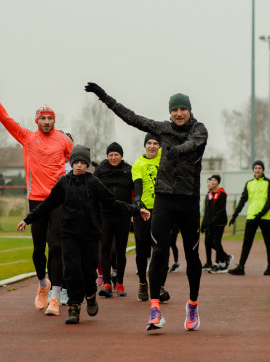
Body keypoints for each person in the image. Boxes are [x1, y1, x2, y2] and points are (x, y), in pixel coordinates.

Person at [85, 84, 207, 332]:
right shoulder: (161, 128)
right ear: (170, 112)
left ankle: (192, 306)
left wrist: (174, 151)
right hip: (164, 199)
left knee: (192, 256)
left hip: (188, 200)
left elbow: (193, 144)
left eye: (183, 109)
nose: (179, 113)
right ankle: (154, 310)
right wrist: (104, 97)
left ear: (189, 111)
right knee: (159, 252)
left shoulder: (199, 130)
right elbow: (132, 117)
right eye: (175, 110)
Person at [16, 145, 150, 324]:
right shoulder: (63, 183)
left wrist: (136, 210)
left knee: (88, 271)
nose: (79, 166)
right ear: (71, 164)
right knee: (71, 271)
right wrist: (28, 219)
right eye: (76, 162)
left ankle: (90, 294)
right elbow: (47, 204)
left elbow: (113, 203)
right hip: (69, 234)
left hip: (90, 234)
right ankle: (74, 306)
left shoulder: (94, 183)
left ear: (87, 164)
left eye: (82, 162)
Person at [0, 77, 73, 316]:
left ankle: (55, 295)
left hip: (57, 200)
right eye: (43, 118)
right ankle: (43, 285)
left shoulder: (64, 140)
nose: (46, 121)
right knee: (38, 249)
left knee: (56, 246)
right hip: (35, 199)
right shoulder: (26, 137)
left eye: (50, 118)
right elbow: (5, 119)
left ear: (55, 120)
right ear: (37, 120)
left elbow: (78, 163)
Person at [131, 134, 168, 304]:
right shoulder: (138, 164)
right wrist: (138, 201)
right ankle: (142, 283)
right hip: (144, 211)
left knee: (161, 249)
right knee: (142, 248)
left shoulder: (164, 159)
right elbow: (137, 186)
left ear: (159, 146)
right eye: (149, 143)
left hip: (162, 209)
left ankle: (159, 285)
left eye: (155, 143)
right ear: (145, 145)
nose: (152, 146)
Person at [94, 142, 133, 297]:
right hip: (105, 215)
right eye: (110, 155)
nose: (113, 157)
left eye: (116, 154)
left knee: (120, 250)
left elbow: (135, 190)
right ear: (107, 156)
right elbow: (93, 190)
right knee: (105, 249)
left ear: (121, 156)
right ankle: (107, 283)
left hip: (123, 215)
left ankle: (120, 283)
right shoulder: (100, 170)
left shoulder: (129, 170)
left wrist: (133, 210)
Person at [228, 160, 270, 276]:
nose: (257, 170)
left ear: (263, 170)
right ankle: (241, 267)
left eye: (259, 168)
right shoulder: (249, 183)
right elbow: (243, 200)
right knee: (246, 243)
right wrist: (235, 214)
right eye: (255, 168)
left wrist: (261, 213)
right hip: (251, 216)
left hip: (264, 217)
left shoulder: (269, 182)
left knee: (268, 242)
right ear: (253, 170)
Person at [201, 174, 233, 273]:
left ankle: (219, 263)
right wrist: (204, 224)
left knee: (216, 242)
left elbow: (221, 210)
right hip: (213, 222)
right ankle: (222, 260)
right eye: (212, 180)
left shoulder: (221, 193)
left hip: (219, 222)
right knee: (211, 242)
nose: (212, 182)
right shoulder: (211, 194)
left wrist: (212, 221)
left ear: (218, 182)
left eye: (215, 180)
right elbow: (208, 211)